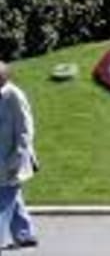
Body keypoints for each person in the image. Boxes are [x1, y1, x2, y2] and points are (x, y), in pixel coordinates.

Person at [0, 61, 38, 250]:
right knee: (11, 196)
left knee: (3, 197)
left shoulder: (14, 96)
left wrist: (17, 159)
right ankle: (25, 234)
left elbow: (25, 131)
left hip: (11, 158)